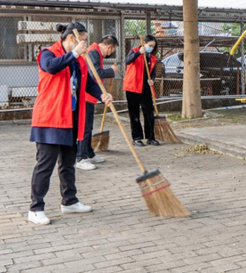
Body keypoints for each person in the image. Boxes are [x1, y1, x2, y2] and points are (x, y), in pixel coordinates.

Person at [28, 22, 113, 225]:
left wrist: (102, 95)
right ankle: (35, 208)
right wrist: (74, 53)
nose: (86, 44)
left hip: (70, 117)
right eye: (83, 40)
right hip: (50, 118)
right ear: (71, 38)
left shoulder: (79, 60)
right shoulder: (48, 53)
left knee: (68, 163)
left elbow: (88, 82)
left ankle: (69, 201)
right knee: (45, 164)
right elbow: (51, 67)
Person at [75, 35, 120, 170]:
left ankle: (89, 153)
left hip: (91, 96)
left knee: (88, 127)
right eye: (112, 51)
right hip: (86, 96)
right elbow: (96, 73)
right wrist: (112, 71)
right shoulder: (93, 52)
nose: (110, 54)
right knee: (85, 127)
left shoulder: (96, 53)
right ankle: (80, 158)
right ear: (109, 47)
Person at [124, 35, 159, 146]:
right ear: (144, 43)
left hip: (146, 87)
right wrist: (139, 53)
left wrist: (152, 80)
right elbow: (127, 61)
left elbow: (153, 73)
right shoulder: (134, 51)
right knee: (134, 113)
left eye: (153, 46)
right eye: (150, 45)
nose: (151, 48)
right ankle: (136, 137)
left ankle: (150, 137)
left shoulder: (152, 58)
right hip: (133, 86)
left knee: (149, 112)